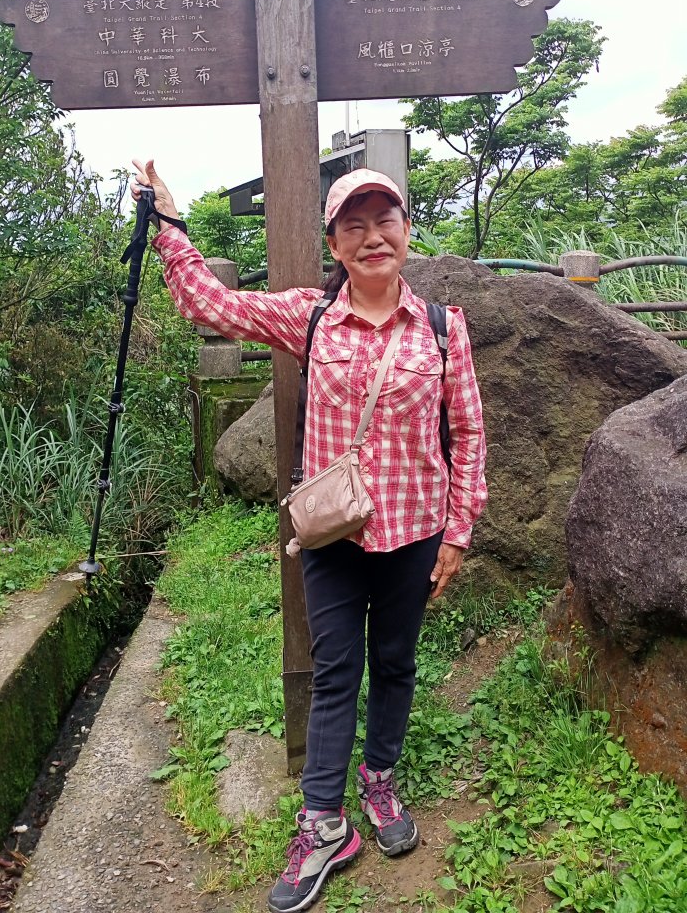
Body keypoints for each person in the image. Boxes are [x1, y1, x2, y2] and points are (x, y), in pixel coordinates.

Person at [131, 160, 487, 913]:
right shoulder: (311, 316)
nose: (371, 237)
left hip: (416, 529)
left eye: (383, 220)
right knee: (336, 672)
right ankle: (324, 823)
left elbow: (470, 435)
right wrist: (169, 224)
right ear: (334, 243)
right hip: (333, 536)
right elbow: (209, 303)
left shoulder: (442, 329)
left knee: (394, 663)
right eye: (352, 225)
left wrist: (458, 532)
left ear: (406, 231)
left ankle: (380, 781)